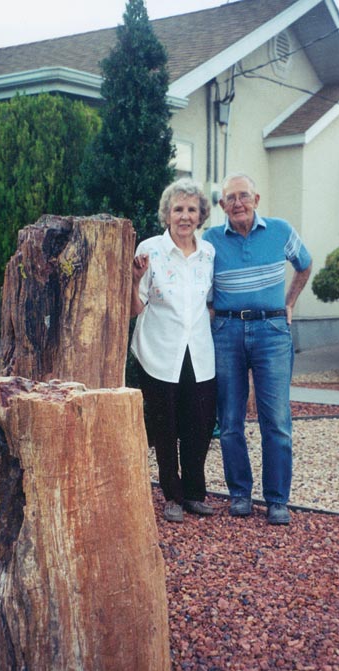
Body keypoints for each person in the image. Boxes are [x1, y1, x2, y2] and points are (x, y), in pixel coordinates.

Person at [203, 173, 312, 525]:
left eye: (244, 196)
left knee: (276, 421)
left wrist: (290, 302)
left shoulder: (280, 230)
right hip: (227, 330)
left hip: (272, 331)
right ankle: (239, 494)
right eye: (230, 198)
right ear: (221, 205)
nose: (238, 203)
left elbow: (305, 263)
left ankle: (277, 499)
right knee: (231, 420)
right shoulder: (211, 240)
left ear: (256, 199)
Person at [130, 178, 216, 523]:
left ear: (200, 215)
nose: (184, 216)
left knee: (200, 423)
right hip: (158, 352)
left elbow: (210, 301)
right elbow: (135, 308)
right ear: (167, 213)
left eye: (191, 209)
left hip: (199, 352)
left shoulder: (208, 253)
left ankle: (195, 493)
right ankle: (172, 496)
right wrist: (133, 278)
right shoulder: (149, 250)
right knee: (165, 427)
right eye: (178, 209)